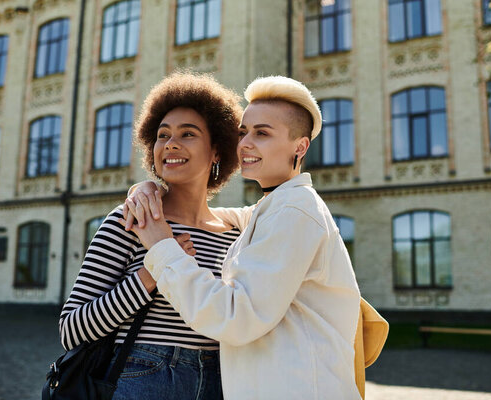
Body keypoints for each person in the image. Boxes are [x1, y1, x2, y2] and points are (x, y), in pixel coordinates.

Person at [125, 76, 362, 399]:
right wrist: (151, 189)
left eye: (262, 133)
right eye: (243, 132)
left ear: (300, 146)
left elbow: (235, 318)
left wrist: (162, 248)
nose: (245, 144)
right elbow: (220, 217)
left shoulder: (295, 212)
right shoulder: (275, 208)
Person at [58, 72, 243, 400]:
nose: (171, 143)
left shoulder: (236, 235)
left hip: (224, 381)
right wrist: (152, 272)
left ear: (217, 151)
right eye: (162, 135)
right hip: (143, 379)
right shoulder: (132, 221)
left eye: (188, 134)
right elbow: (72, 330)